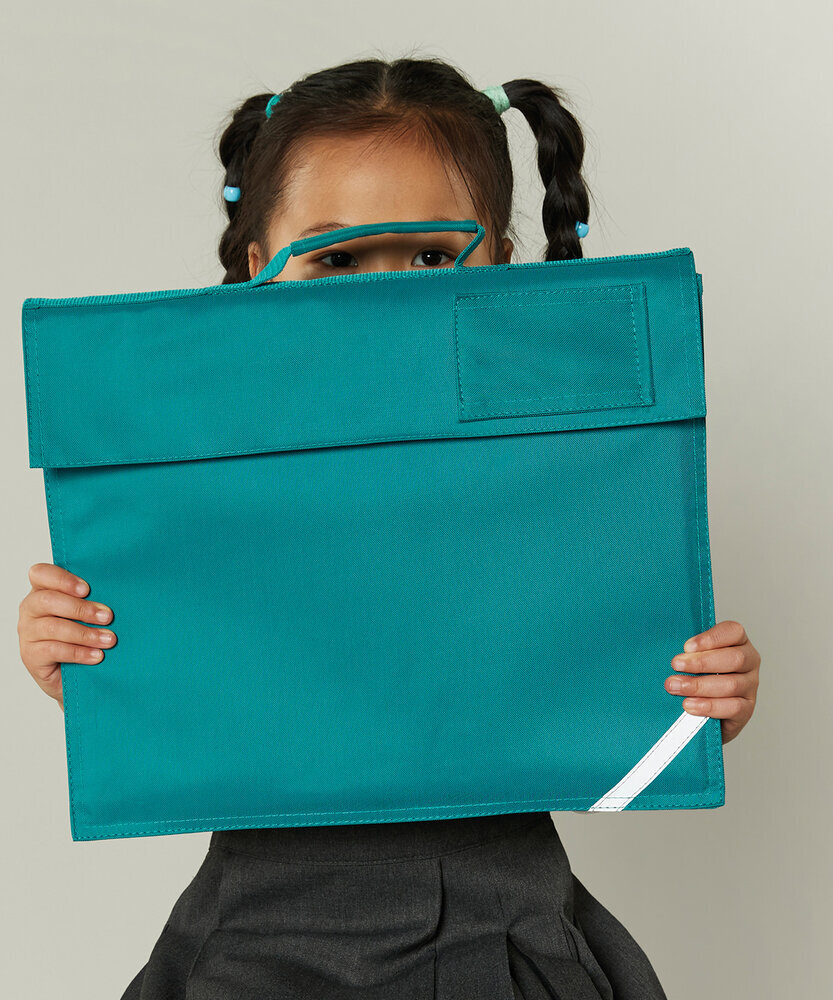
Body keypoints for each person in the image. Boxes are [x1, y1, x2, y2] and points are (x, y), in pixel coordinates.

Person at [17, 55, 761, 1000]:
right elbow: (215, 680)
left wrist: (699, 697)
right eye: (334, 257)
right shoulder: (203, 475)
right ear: (256, 268)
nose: (381, 298)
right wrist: (85, 667)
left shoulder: (557, 470)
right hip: (254, 936)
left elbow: (588, 673)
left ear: (500, 260)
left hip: (503, 924)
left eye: (427, 256)